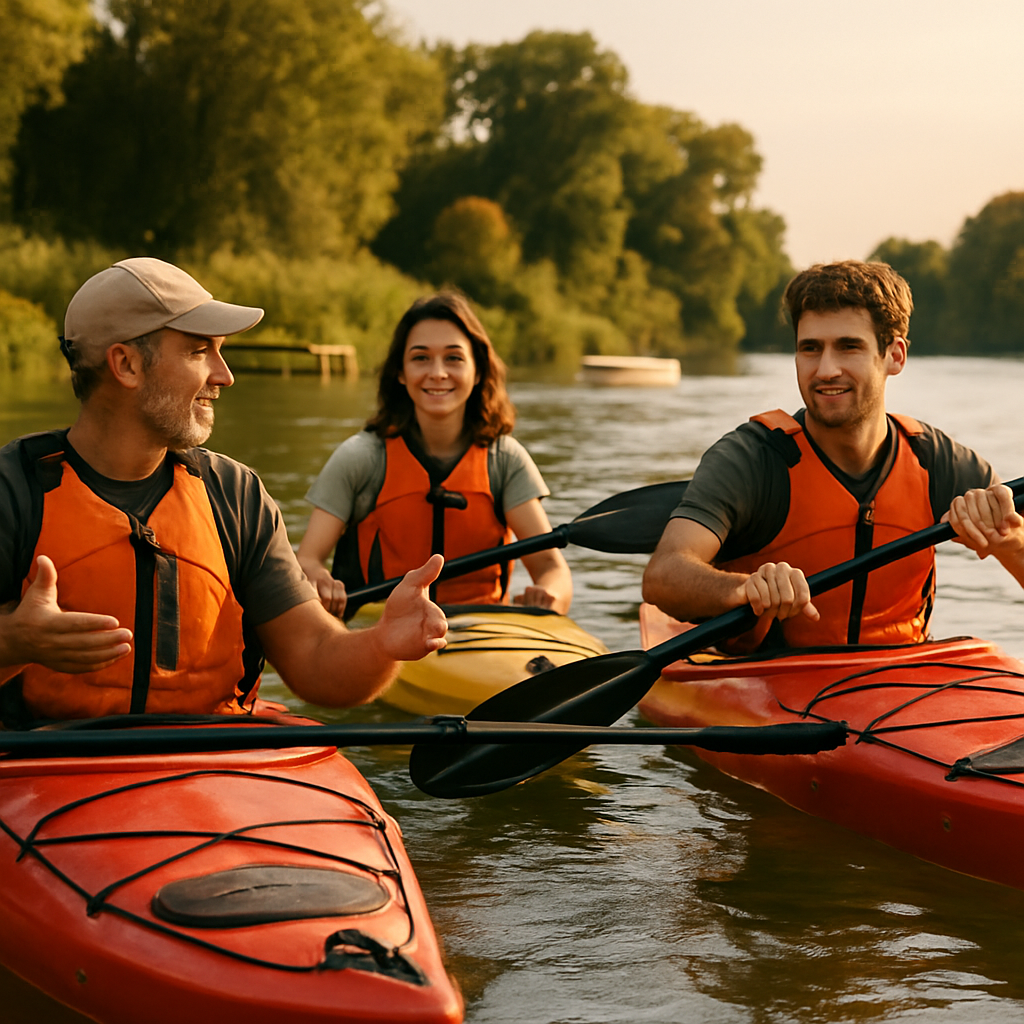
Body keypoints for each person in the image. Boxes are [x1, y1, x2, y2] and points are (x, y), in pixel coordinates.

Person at [0, 258, 448, 724]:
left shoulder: (235, 495)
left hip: (211, 771)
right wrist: (13, 643)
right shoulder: (13, 492)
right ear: (126, 364)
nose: (224, 375)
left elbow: (316, 659)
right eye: (199, 352)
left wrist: (383, 644)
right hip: (44, 769)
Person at [643, 259, 1024, 653]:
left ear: (894, 355)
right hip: (767, 676)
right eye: (810, 349)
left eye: (848, 347)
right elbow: (663, 575)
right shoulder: (751, 460)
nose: (826, 370)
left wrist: (1009, 541)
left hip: (903, 679)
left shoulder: (938, 460)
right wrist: (745, 588)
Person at [297, 292, 572, 619]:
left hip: (481, 634)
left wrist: (549, 595)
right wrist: (317, 579)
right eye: (420, 358)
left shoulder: (505, 460)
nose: (438, 373)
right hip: (379, 631)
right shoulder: (361, 457)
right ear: (400, 372)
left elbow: (552, 568)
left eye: (454, 358)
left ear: (478, 370)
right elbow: (306, 561)